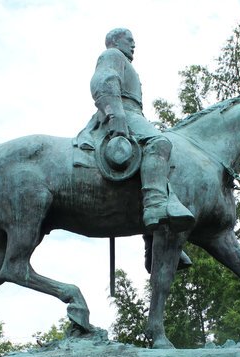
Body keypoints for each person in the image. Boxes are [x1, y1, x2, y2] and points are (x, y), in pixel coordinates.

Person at [89, 28, 195, 232]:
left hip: (134, 114)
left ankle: (153, 238)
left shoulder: (125, 63)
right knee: (159, 143)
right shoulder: (112, 55)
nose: (133, 44)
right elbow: (103, 81)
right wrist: (115, 114)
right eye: (129, 40)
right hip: (124, 112)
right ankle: (155, 205)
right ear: (115, 41)